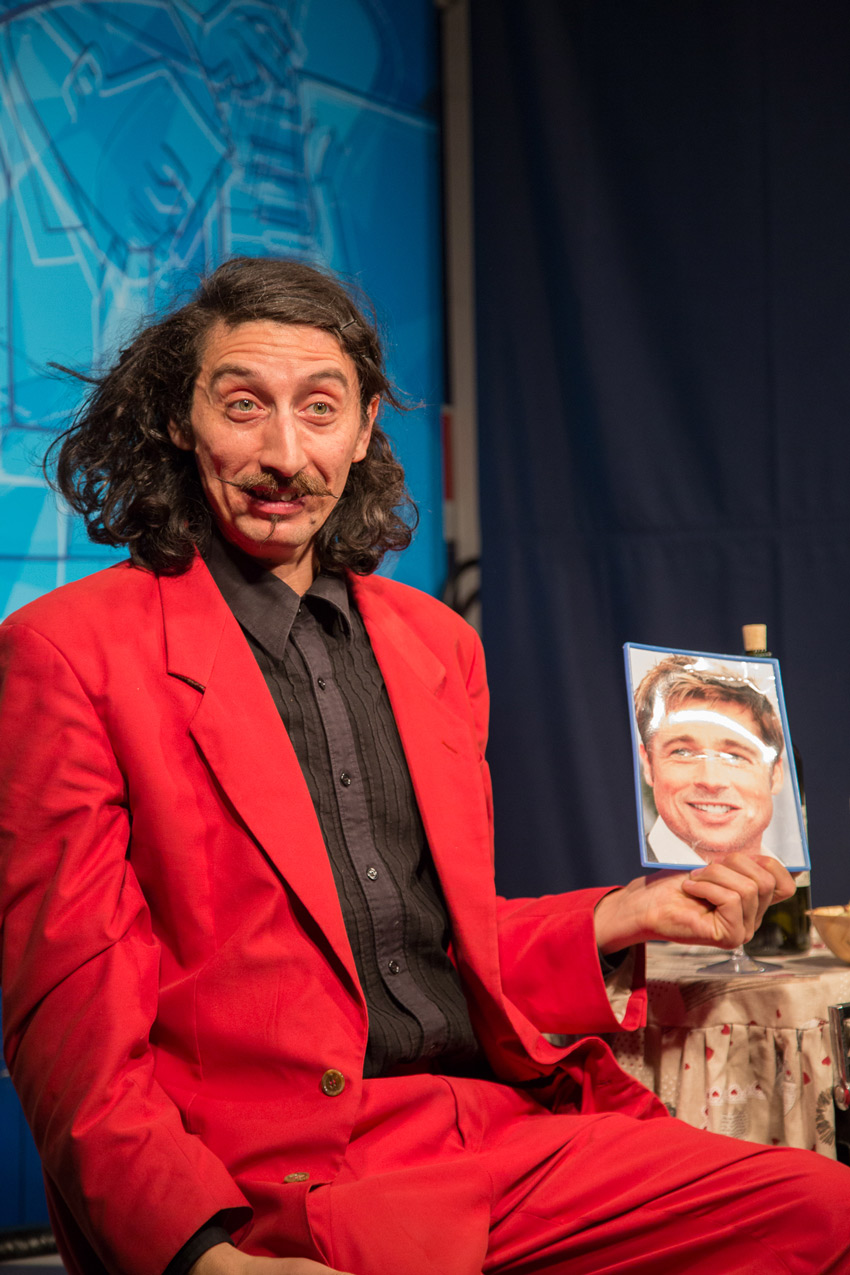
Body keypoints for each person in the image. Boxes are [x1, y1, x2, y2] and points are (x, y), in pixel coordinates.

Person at [0, 258, 846, 1275]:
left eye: (320, 410)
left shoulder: (435, 644)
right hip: (280, 1176)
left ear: (364, 430)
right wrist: (199, 1254)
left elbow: (415, 947)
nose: (284, 455)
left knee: (823, 1213)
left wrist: (616, 916)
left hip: (497, 1125)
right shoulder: (69, 653)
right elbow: (69, 1018)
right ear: (181, 421)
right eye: (243, 406)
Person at [633, 655, 796, 867]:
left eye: (735, 756)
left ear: (775, 774)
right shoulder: (613, 877)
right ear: (648, 764)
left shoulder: (797, 880)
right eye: (682, 752)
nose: (711, 781)